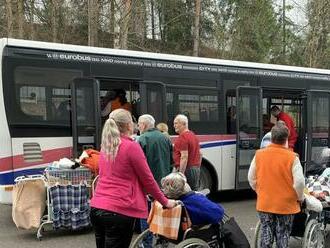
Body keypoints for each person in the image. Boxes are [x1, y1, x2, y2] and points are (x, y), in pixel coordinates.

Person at [90, 109, 177, 248]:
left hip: (97, 207)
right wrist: (165, 201)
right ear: (129, 125)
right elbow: (148, 180)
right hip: (118, 210)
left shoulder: (106, 146)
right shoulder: (131, 147)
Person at [248, 123, 305, 248]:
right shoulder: (292, 158)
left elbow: (251, 178)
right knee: (283, 234)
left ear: (271, 137)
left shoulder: (259, 155)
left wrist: (259, 190)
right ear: (286, 139)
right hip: (286, 205)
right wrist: (300, 197)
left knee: (266, 233)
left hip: (265, 203)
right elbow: (299, 182)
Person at [138, 114, 173, 248]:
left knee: (146, 215)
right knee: (162, 212)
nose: (138, 127)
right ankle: (163, 241)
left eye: (140, 124)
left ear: (145, 125)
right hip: (164, 184)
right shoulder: (165, 138)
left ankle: (147, 244)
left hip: (147, 186)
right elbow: (171, 162)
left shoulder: (142, 139)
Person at [173, 114, 202, 191]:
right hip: (195, 169)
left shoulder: (183, 137)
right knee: (194, 192)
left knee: (185, 193)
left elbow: (184, 157)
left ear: (184, 124)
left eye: (176, 123)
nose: (174, 126)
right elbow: (200, 154)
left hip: (187, 170)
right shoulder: (193, 135)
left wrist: (181, 174)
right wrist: (197, 167)